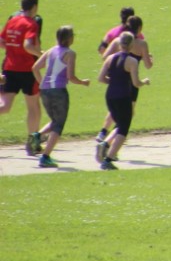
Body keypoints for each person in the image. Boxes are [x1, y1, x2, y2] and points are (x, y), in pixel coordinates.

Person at [28, 26, 88, 168]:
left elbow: (35, 68)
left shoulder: (50, 51)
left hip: (44, 90)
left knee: (55, 120)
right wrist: (83, 82)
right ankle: (45, 157)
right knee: (58, 125)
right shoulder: (70, 53)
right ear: (69, 38)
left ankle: (37, 136)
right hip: (59, 91)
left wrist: (42, 83)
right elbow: (71, 77)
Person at [93, 32, 149, 170]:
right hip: (123, 96)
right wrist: (144, 82)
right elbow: (135, 83)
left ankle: (105, 143)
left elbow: (100, 78)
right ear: (131, 45)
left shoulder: (110, 58)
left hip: (110, 96)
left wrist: (113, 82)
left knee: (119, 124)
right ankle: (108, 158)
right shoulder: (132, 61)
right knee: (123, 129)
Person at [1, 0, 42, 152]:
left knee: (4, 106)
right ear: (34, 7)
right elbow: (27, 45)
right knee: (33, 107)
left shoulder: (12, 20)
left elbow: (1, 41)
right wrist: (42, 54)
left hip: (9, 68)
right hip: (26, 70)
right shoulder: (31, 23)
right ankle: (32, 143)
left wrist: (12, 48)